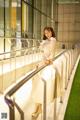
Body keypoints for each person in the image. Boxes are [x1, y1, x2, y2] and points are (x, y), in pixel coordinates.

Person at [31, 27, 56, 119]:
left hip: (47, 64)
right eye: (45, 33)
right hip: (42, 62)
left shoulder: (53, 40)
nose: (47, 34)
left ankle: (38, 108)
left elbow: (52, 53)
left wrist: (48, 60)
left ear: (51, 32)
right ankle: (37, 108)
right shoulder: (46, 41)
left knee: (41, 86)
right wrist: (40, 62)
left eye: (48, 32)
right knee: (37, 85)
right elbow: (42, 50)